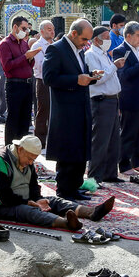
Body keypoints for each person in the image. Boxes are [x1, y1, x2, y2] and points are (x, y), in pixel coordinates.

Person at [0, 135, 115, 230]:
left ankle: (91, 212)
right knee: (28, 211)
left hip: (23, 199)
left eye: (33, 159)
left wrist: (38, 199)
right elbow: (0, 196)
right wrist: (28, 202)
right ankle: (66, 223)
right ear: (20, 149)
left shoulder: (26, 158)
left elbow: (33, 185)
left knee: (53, 201)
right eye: (30, 158)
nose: (31, 162)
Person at [42, 19, 95, 201]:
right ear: (73, 34)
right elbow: (49, 78)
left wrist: (90, 77)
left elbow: (79, 73)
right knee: (68, 150)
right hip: (66, 110)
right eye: (84, 39)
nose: (86, 43)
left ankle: (75, 186)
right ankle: (64, 189)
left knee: (80, 148)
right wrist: (75, 80)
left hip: (81, 107)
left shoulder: (79, 50)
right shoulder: (56, 49)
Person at [113, 22, 139, 176]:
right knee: (129, 131)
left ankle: (137, 162)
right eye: (138, 35)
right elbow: (125, 74)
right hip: (130, 96)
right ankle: (123, 164)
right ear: (128, 35)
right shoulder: (120, 50)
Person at [84, 26, 122, 184]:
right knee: (100, 140)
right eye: (106, 37)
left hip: (112, 100)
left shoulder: (104, 54)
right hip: (101, 101)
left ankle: (110, 173)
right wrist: (115, 66)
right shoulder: (91, 55)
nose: (109, 40)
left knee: (113, 139)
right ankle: (95, 176)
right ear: (96, 39)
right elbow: (98, 78)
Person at [0, 16, 40, 145]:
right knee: (13, 118)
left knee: (25, 118)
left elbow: (28, 65)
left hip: (27, 84)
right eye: (23, 28)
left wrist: (30, 58)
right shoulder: (5, 43)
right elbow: (7, 66)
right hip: (14, 84)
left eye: (27, 28)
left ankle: (22, 149)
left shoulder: (23, 43)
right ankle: (10, 150)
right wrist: (25, 57)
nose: (26, 31)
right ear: (15, 27)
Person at [31, 20, 55, 146]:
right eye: (49, 29)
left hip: (55, 82)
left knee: (54, 110)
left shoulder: (55, 44)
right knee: (43, 110)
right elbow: (40, 66)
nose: (52, 31)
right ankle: (40, 140)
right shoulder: (37, 46)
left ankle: (52, 138)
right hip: (43, 81)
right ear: (41, 31)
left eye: (53, 29)